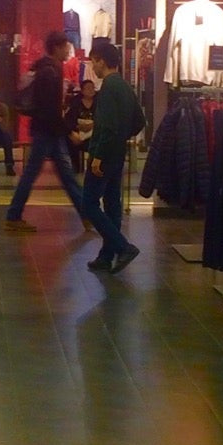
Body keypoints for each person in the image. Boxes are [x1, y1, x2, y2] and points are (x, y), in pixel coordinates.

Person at [4, 31, 85, 232]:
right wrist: (68, 131)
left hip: (46, 130)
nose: (68, 51)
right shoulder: (51, 71)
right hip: (47, 131)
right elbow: (50, 108)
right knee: (45, 174)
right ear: (57, 47)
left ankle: (87, 214)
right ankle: (13, 215)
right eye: (66, 47)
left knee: (62, 175)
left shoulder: (44, 67)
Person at [81, 37, 145, 274]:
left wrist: (98, 154)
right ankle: (106, 256)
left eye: (93, 62)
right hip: (118, 153)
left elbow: (107, 126)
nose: (93, 67)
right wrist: (121, 137)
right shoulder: (125, 87)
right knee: (111, 203)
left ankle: (122, 247)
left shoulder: (108, 87)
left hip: (104, 155)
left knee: (89, 203)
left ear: (101, 61)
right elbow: (139, 121)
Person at [66, 76, 98, 173]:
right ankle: (75, 169)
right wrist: (77, 128)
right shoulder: (75, 102)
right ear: (82, 91)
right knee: (70, 141)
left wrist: (93, 125)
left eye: (92, 88)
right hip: (79, 133)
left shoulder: (99, 102)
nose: (91, 90)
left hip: (94, 133)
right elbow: (69, 119)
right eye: (88, 88)